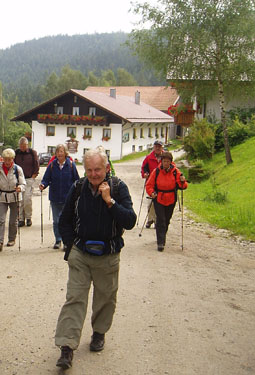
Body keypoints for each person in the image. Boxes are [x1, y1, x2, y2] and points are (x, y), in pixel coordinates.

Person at [54, 149, 136, 369]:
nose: (93, 174)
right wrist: (71, 247)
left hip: (108, 254)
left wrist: (109, 201)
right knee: (75, 299)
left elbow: (129, 221)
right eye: (89, 170)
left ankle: (99, 332)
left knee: (105, 298)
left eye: (97, 169)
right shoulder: (78, 188)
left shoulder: (118, 188)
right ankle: (66, 347)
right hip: (81, 253)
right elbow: (65, 221)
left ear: (106, 168)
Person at [39, 144, 80, 249]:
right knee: (56, 221)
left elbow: (77, 180)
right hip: (55, 197)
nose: (60, 153)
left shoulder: (71, 165)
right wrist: (43, 185)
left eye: (62, 151)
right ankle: (58, 240)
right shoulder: (52, 165)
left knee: (67, 221)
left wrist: (77, 192)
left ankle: (66, 242)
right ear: (56, 154)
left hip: (68, 198)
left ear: (65, 153)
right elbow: (46, 179)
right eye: (58, 152)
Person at [145, 151, 187, 252]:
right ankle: (160, 242)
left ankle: (162, 235)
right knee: (161, 219)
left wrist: (182, 181)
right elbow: (149, 185)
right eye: (164, 161)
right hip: (159, 198)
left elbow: (183, 186)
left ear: (171, 162)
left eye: (168, 161)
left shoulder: (175, 172)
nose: (166, 163)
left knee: (167, 220)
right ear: (161, 162)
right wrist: (152, 193)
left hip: (171, 198)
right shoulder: (156, 171)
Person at [0, 148, 26, 251]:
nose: (7, 162)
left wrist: (20, 188)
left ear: (13, 159)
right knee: (1, 219)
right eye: (5, 159)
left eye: (9, 159)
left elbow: (23, 183)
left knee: (13, 221)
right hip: (2, 196)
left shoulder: (17, 169)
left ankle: (11, 239)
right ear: (2, 159)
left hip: (15, 196)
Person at [14, 137, 39, 227]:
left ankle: (28, 217)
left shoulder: (32, 153)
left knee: (27, 199)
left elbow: (36, 165)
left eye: (24, 146)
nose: (22, 148)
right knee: (20, 200)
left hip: (29, 179)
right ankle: (21, 219)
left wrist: (33, 176)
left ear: (27, 145)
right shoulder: (16, 153)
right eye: (21, 146)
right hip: (19, 180)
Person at [141, 140, 164, 228]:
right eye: (156, 146)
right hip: (151, 183)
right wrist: (145, 174)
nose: (157, 148)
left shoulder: (165, 157)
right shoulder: (148, 157)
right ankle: (150, 219)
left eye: (159, 146)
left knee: (159, 202)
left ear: (162, 147)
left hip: (162, 183)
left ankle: (157, 220)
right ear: (153, 147)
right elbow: (144, 168)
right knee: (150, 202)